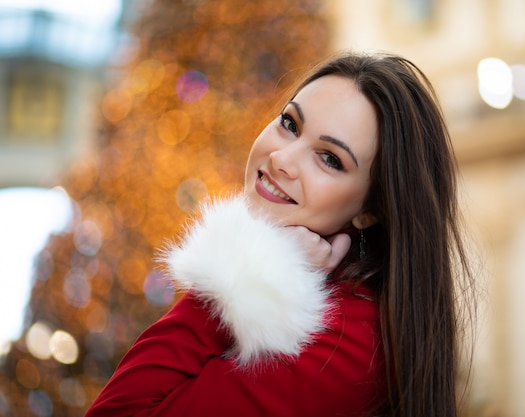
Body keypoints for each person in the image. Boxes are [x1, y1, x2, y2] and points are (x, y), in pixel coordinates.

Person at [85, 52, 475, 417]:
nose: (281, 159)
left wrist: (245, 274)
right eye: (290, 124)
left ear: (371, 209)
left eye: (330, 159)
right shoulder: (322, 294)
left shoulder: (349, 341)